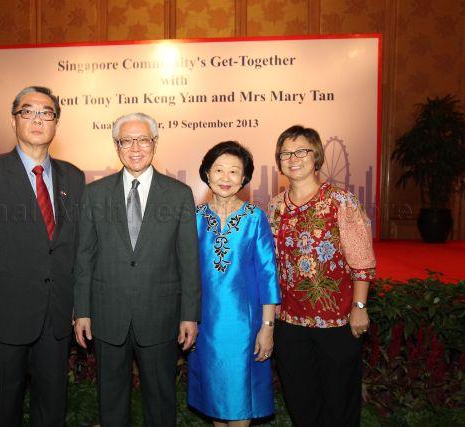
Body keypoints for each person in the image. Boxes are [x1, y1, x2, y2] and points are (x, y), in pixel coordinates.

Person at [0, 86, 85, 426]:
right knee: (3, 404)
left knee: (52, 403)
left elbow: (76, 248)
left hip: (57, 315)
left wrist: (78, 307)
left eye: (46, 112)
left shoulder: (74, 177)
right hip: (4, 314)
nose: (37, 119)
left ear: (56, 123)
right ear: (13, 121)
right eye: (28, 111)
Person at [73, 112, 201, 427]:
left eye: (143, 139)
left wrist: (189, 315)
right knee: (111, 400)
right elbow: (84, 256)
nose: (135, 148)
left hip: (160, 313)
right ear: (116, 146)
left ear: (154, 144)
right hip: (107, 313)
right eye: (126, 141)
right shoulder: (95, 194)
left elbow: (188, 260)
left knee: (160, 401)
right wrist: (82, 311)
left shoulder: (179, 194)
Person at [266, 125, 376, 426]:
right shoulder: (274, 207)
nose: (293, 158)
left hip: (337, 322)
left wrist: (360, 307)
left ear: (316, 156)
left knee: (340, 403)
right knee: (301, 400)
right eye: (285, 153)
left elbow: (362, 261)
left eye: (301, 151)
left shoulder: (341, 202)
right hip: (289, 323)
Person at [187, 141, 281, 426]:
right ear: (206, 173)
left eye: (234, 172)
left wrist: (267, 328)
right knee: (215, 403)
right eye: (219, 170)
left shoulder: (255, 218)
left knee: (241, 406)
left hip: (245, 327)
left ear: (244, 178)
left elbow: (268, 275)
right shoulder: (193, 218)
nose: (225, 178)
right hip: (205, 325)